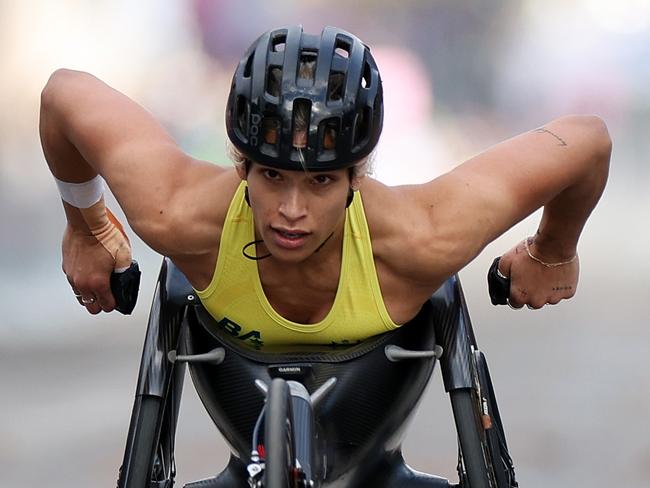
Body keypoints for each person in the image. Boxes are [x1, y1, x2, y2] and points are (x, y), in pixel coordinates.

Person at [40, 25, 611, 349]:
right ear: (241, 166)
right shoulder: (176, 212)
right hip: (232, 369)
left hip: (376, 383)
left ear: (356, 177)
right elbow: (62, 94)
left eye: (319, 181)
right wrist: (86, 226)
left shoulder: (427, 236)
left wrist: (553, 250)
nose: (292, 211)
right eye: (272, 176)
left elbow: (587, 141)